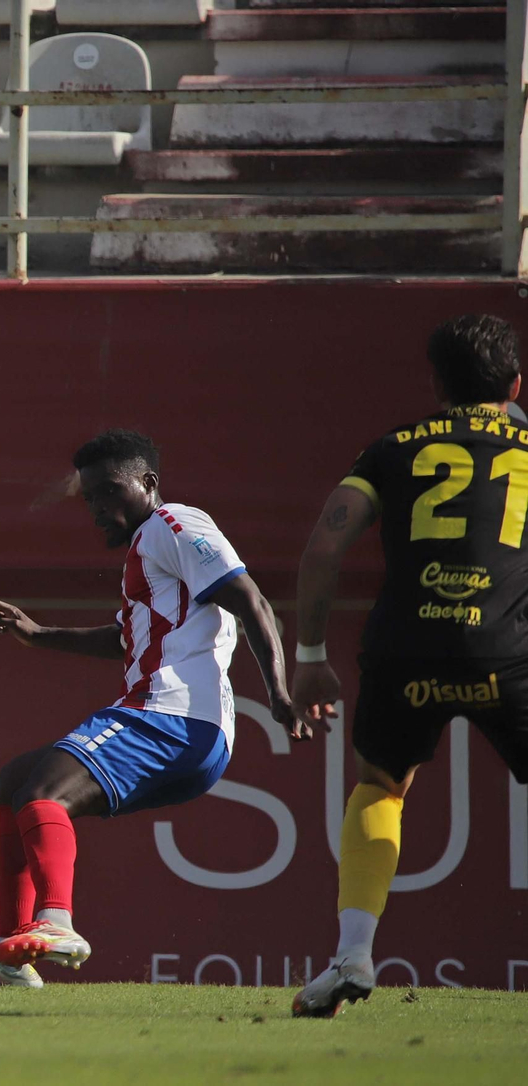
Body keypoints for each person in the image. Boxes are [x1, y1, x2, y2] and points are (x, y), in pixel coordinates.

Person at [0, 429, 303, 988]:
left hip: (174, 720)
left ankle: (56, 923)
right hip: (170, 724)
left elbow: (251, 599)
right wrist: (37, 633)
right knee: (14, 780)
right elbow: (122, 639)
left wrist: (280, 694)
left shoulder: (175, 524)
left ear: (148, 484)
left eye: (108, 492)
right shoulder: (146, 553)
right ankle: (11, 962)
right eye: (89, 498)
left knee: (44, 787)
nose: (97, 508)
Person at [291, 315, 528, 1017]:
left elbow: (322, 549)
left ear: (436, 384)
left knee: (382, 788)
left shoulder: (392, 449)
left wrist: (308, 658)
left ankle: (353, 955)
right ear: (515, 384)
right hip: (504, 652)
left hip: (404, 650)